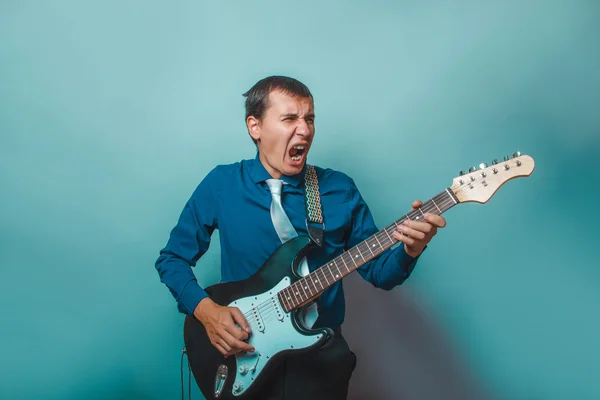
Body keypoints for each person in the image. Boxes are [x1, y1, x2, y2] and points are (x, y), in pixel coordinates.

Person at [155, 75, 447, 399]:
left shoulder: (338, 190)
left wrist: (411, 249)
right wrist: (207, 311)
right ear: (256, 127)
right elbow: (172, 260)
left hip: (319, 364)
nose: (305, 130)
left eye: (309, 119)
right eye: (290, 119)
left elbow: (381, 274)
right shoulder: (221, 184)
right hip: (245, 353)